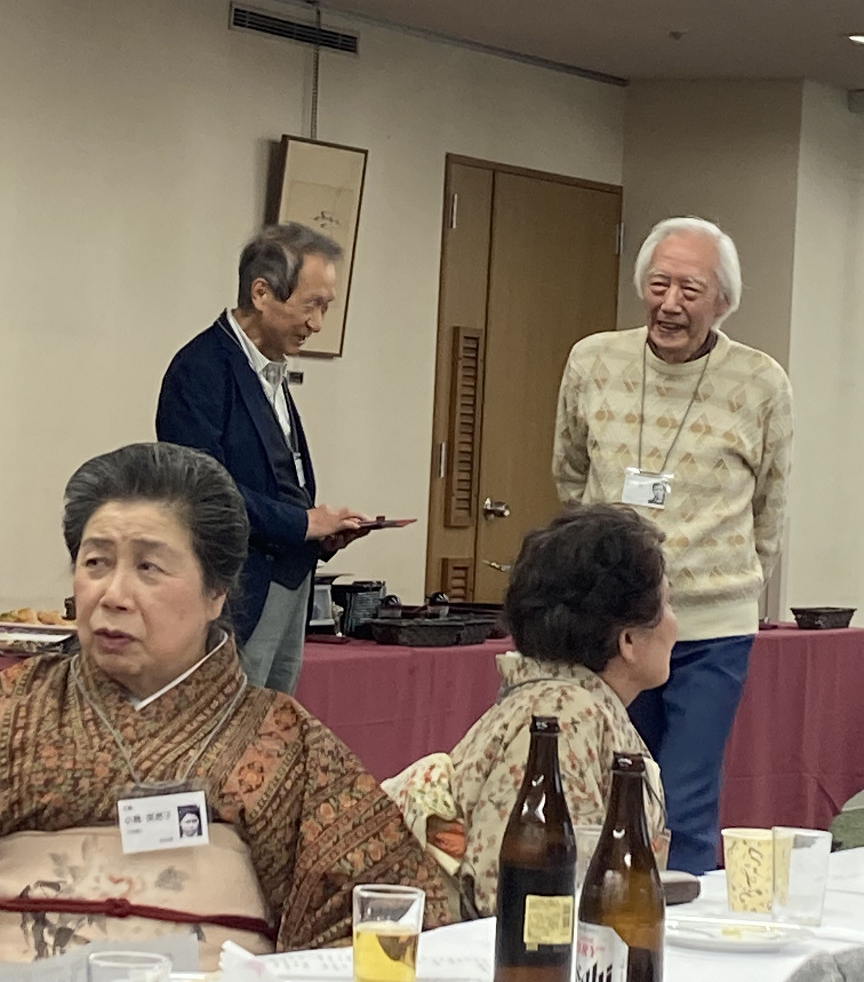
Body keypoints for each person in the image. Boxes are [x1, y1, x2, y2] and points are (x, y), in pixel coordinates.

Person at [0, 443, 450, 966]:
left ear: (216, 592)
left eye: (148, 566)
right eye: (95, 562)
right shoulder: (14, 710)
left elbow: (395, 914)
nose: (113, 594)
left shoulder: (286, 743)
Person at [553, 216, 793, 875]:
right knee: (608, 789)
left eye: (690, 289)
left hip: (710, 629)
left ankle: (680, 930)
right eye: (659, 285)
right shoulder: (593, 361)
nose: (669, 304)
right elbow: (570, 474)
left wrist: (726, 581)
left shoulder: (761, 382)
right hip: (612, 623)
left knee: (685, 799)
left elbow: (770, 506)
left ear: (724, 302)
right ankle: (604, 923)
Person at [383, 504, 675, 917]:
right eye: (669, 605)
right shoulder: (565, 717)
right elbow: (522, 896)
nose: (677, 626)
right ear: (628, 641)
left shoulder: (565, 704)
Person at [156, 223, 368, 695]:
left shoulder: (268, 369)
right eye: (312, 305)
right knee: (228, 727)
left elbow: (276, 478)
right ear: (262, 293)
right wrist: (300, 523)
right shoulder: (200, 368)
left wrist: (319, 532)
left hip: (290, 581)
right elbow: (200, 493)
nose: (318, 324)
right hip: (238, 591)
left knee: (273, 729)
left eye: (326, 307)